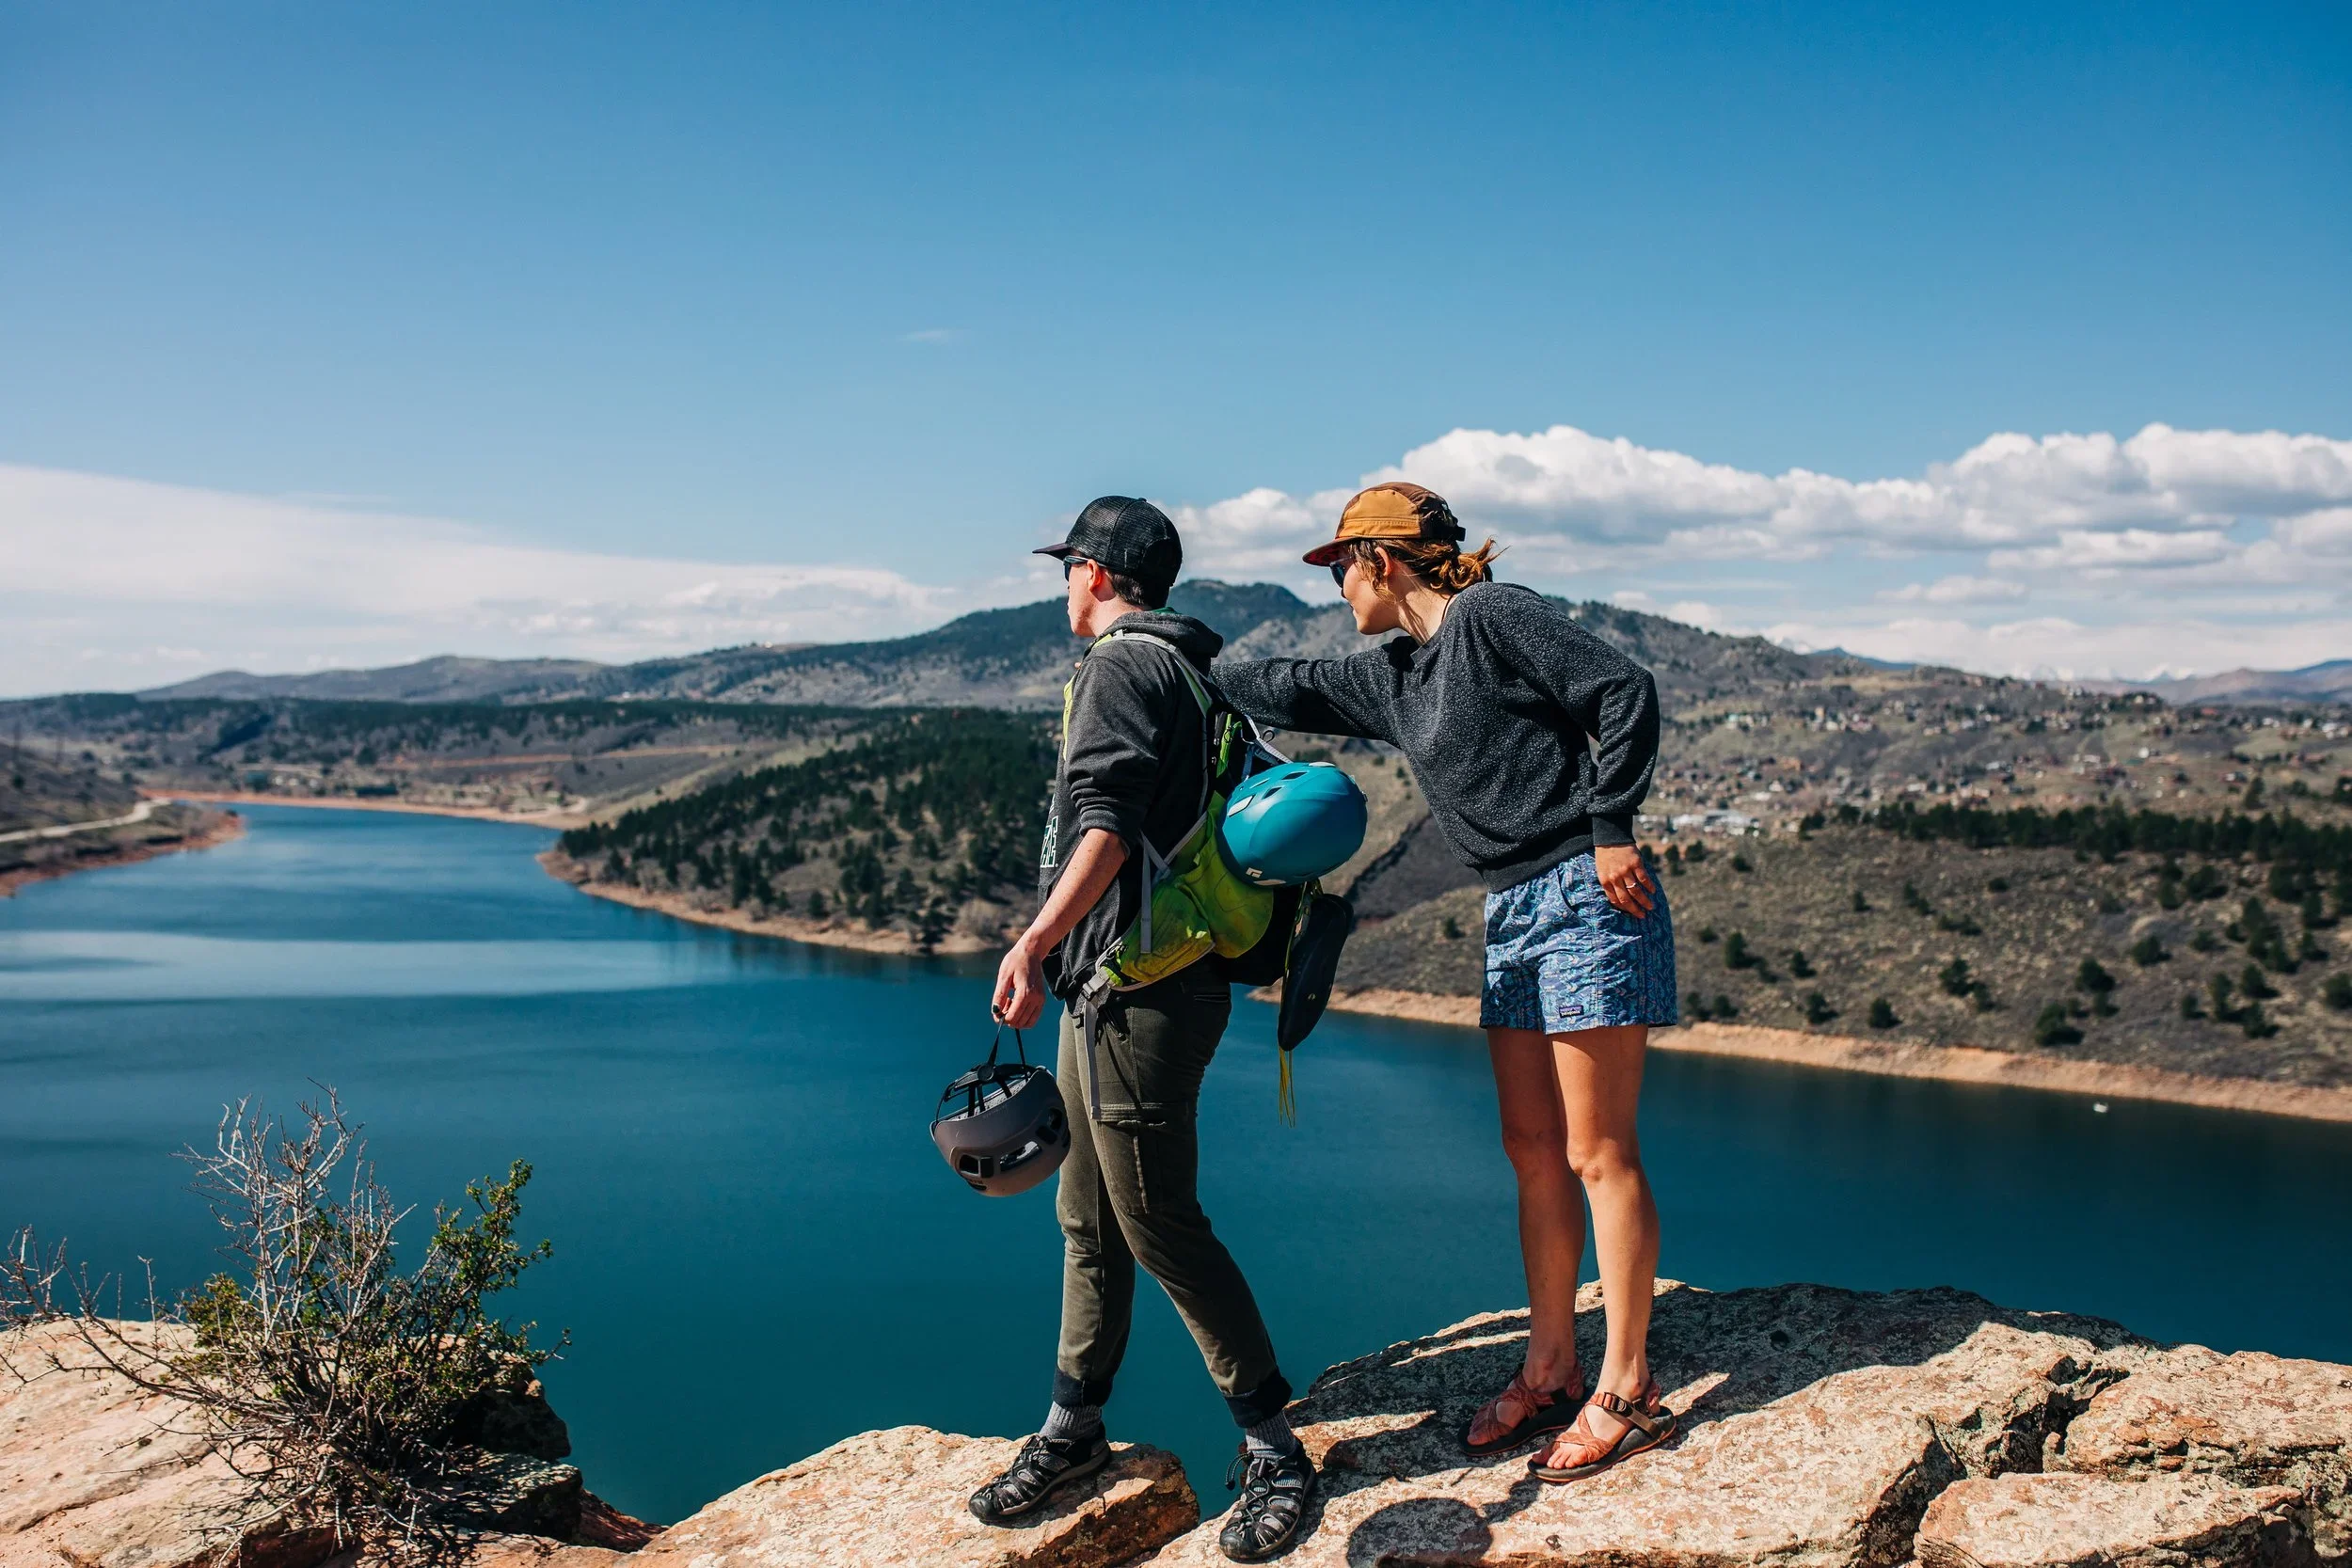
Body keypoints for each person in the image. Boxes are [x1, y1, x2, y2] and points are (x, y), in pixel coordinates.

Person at [1212, 482, 1680, 1484]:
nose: (1336, 585)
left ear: (1380, 558)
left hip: (1587, 896)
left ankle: (1629, 1387)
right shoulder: (1393, 671)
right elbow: (1288, 684)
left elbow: (1623, 689)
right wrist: (1172, 657)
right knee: (1531, 1147)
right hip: (1510, 908)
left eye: (1339, 565)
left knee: (1599, 1149)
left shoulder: (1490, 617)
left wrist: (1611, 828)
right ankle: (1551, 1361)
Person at [975, 496, 1316, 1562]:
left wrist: (1032, 941)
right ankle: (1074, 1427)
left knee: (1156, 1217)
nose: (1060, 587)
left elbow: (1108, 830)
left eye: (1065, 568)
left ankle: (1275, 1447)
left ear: (1093, 571)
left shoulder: (1125, 666)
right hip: (1118, 984)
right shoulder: (1184, 664)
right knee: (1088, 1212)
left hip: (1145, 988)